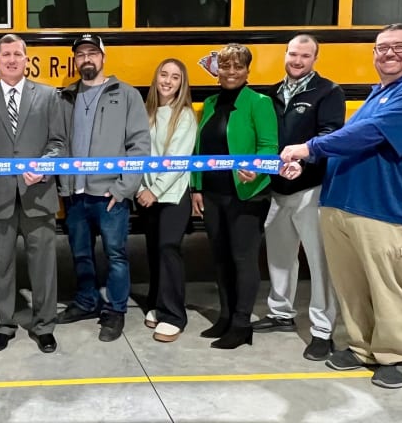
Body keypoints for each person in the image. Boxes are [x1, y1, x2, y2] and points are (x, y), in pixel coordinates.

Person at [281, 24, 402, 389]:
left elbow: (370, 135)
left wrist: (308, 148)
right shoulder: (380, 94)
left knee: (391, 287)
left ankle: (396, 354)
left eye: (398, 47)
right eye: (381, 48)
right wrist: (306, 163)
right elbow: (347, 144)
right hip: (348, 209)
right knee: (353, 286)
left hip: (394, 212)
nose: (389, 54)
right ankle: (361, 347)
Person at [0, 34, 66, 354]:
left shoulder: (48, 96)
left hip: (38, 195)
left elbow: (59, 144)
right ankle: (4, 325)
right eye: (5, 54)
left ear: (26, 59)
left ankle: (44, 326)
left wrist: (45, 167)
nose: (11, 59)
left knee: (44, 267)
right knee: (1, 266)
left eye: (17, 54)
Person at [253, 34, 345, 362]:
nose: (297, 60)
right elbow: (263, 139)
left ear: (314, 58)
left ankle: (322, 331)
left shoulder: (328, 92)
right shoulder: (272, 94)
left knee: (320, 262)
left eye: (305, 56)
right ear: (285, 55)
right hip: (277, 189)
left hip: (311, 189)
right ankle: (281, 313)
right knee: (279, 257)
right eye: (293, 54)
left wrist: (304, 159)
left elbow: (330, 137)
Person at [56, 34, 151, 342]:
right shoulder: (66, 96)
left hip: (110, 195)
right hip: (75, 194)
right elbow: (57, 143)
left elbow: (139, 145)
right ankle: (86, 300)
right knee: (80, 253)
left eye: (92, 53)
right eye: (81, 53)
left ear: (103, 57)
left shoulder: (125, 94)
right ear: (75, 60)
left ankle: (116, 310)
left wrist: (124, 188)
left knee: (116, 255)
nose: (87, 58)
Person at [190, 44, 278, 350]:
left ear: (247, 70)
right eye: (225, 67)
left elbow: (269, 147)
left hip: (246, 195)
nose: (231, 72)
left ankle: (242, 325)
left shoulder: (259, 103)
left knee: (243, 259)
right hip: (213, 194)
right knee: (220, 258)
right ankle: (225, 317)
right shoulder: (211, 103)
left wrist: (255, 168)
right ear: (217, 71)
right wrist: (196, 188)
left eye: (237, 67)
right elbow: (199, 151)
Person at [136, 58, 197, 343]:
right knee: (154, 251)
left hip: (171, 195)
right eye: (164, 74)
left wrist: (155, 190)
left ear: (181, 83)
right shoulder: (146, 112)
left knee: (168, 249)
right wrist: (140, 187)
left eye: (175, 77)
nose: (168, 81)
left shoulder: (183, 115)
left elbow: (177, 160)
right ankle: (157, 305)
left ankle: (174, 315)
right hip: (146, 195)